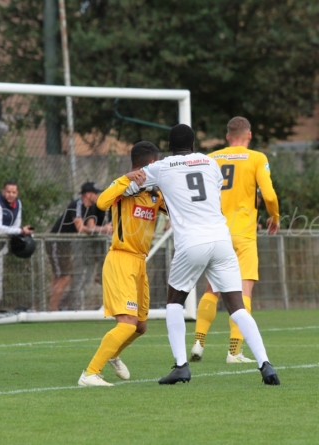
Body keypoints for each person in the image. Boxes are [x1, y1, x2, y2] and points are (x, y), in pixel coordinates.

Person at [131, 123, 280, 385]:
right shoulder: (209, 163)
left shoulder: (162, 166)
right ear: (193, 145)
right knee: (237, 306)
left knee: (175, 303)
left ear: (169, 146)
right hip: (221, 239)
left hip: (191, 241)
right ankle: (265, 363)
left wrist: (134, 184)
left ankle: (180, 365)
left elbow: (132, 182)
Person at [190, 116, 280, 364]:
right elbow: (269, 195)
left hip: (216, 232)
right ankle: (234, 351)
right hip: (243, 235)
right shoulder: (256, 158)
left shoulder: (212, 158)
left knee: (212, 289)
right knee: (244, 290)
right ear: (249, 135)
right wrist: (275, 217)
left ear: (228, 136)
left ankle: (198, 342)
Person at [78, 141, 166, 386]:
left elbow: (176, 210)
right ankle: (90, 374)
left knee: (140, 327)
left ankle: (113, 354)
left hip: (139, 262)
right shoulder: (124, 188)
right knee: (126, 325)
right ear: (150, 163)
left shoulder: (155, 193)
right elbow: (102, 203)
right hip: (121, 259)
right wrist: (124, 179)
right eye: (157, 163)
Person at [46, 182, 112, 311]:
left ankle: (51, 307)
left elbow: (91, 227)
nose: (98, 196)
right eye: (96, 193)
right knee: (64, 276)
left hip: (65, 244)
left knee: (59, 276)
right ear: (88, 194)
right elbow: (81, 228)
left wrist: (104, 228)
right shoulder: (77, 205)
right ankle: (52, 309)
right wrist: (103, 229)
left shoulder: (89, 208)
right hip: (56, 242)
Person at [0, 181, 34, 313]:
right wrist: (20, 231)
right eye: (8, 191)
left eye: (13, 192)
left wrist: (21, 233)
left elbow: (16, 226)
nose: (10, 194)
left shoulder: (18, 204)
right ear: (2, 191)